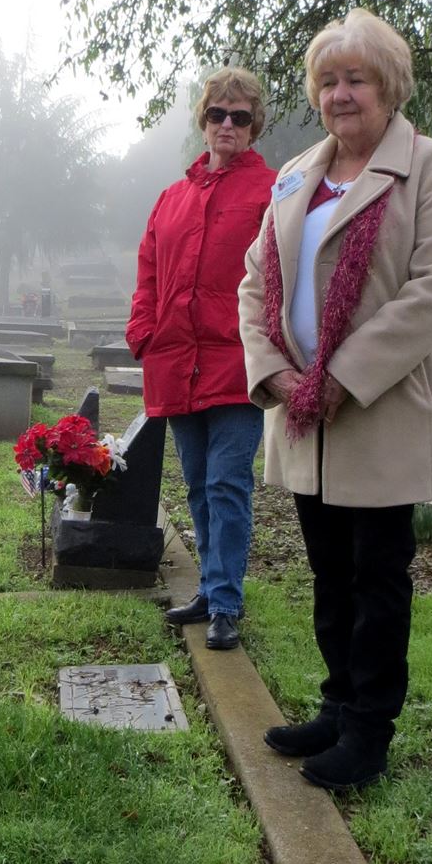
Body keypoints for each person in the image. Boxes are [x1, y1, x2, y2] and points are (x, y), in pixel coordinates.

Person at [238, 10, 432, 791]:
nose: (341, 94)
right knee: (328, 571)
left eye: (357, 79)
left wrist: (341, 375)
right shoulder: (296, 174)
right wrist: (273, 368)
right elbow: (255, 280)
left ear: (389, 86)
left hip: (380, 408)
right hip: (307, 412)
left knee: (378, 575)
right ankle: (337, 705)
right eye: (328, 81)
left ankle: (370, 731)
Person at [127, 69, 275, 650]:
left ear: (254, 124)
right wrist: (144, 330)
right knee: (195, 483)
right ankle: (212, 592)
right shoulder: (172, 198)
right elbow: (150, 271)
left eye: (240, 117)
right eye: (218, 114)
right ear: (204, 121)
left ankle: (227, 604)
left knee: (226, 482)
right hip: (176, 362)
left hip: (239, 363)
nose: (228, 126)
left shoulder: (272, 191)